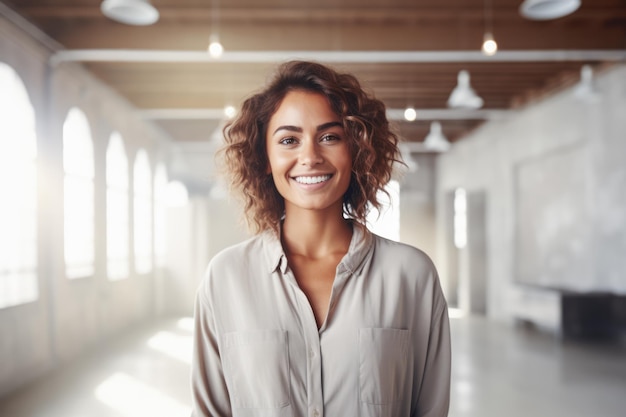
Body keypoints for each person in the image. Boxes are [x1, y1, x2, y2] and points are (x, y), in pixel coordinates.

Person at [191, 60, 451, 417]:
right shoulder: (226, 277)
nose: (310, 157)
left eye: (330, 137)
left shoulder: (412, 276)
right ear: (265, 157)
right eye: (288, 140)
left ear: (355, 150)